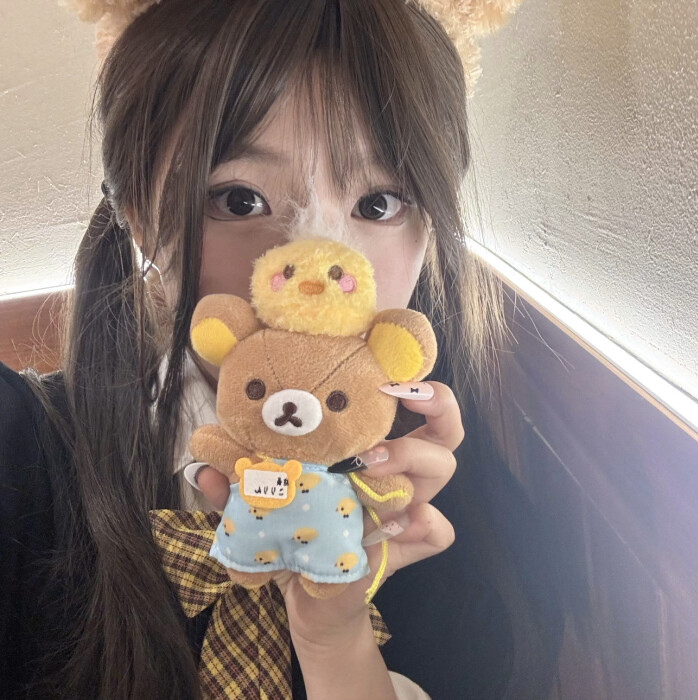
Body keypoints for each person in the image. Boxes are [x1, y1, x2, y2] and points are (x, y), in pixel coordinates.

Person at [0, 1, 525, 698]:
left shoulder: (449, 488)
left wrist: (336, 639)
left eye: (379, 204)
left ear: (428, 228)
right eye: (239, 200)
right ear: (139, 217)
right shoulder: (23, 454)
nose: (316, 267)